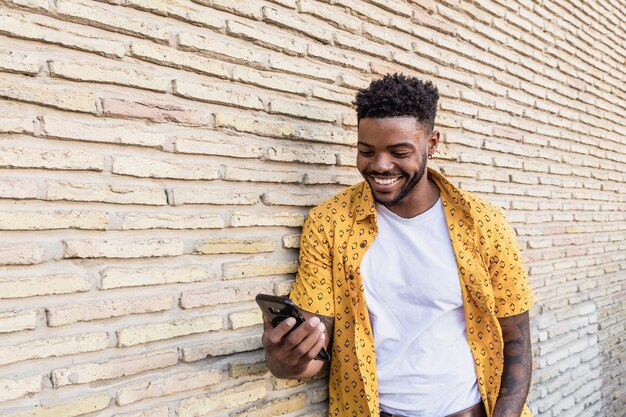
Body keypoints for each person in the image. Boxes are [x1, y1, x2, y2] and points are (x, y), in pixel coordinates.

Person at [262, 73, 534, 417]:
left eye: (399, 152)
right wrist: (284, 359)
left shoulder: (483, 224)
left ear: (431, 143)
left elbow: (517, 340)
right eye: (366, 151)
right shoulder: (330, 223)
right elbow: (313, 354)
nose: (380, 165)